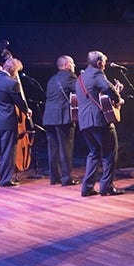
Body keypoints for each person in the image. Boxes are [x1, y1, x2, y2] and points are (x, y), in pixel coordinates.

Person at [75, 50, 124, 197]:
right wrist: (118, 98)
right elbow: (107, 88)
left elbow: (94, 95)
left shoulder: (80, 77)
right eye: (103, 63)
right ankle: (106, 187)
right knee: (109, 153)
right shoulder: (97, 74)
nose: (104, 66)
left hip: (84, 122)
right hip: (98, 120)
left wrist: (114, 92)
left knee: (94, 152)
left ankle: (87, 188)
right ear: (98, 63)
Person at [0, 57, 32, 187]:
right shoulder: (12, 83)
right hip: (7, 120)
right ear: (14, 70)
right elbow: (20, 102)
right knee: (8, 150)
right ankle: (6, 180)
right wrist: (27, 110)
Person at [43, 55, 79, 186]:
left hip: (49, 117)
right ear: (65, 65)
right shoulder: (70, 77)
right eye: (72, 63)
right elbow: (80, 91)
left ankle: (55, 178)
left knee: (53, 149)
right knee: (66, 149)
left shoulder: (52, 79)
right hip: (62, 117)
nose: (74, 66)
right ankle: (67, 178)